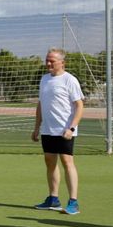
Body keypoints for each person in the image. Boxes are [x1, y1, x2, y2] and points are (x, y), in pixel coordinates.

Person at [30, 48, 84, 215]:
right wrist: (37, 127)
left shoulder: (70, 80)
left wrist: (72, 127)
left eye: (52, 61)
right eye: (47, 60)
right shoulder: (44, 79)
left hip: (65, 131)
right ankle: (53, 199)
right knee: (50, 162)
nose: (48, 64)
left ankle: (73, 202)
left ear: (62, 62)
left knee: (67, 163)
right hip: (48, 130)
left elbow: (79, 105)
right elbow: (41, 104)